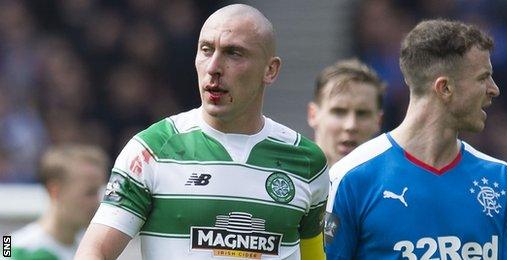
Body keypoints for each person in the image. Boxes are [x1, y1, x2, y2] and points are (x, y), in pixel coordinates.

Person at [76, 4, 329, 260]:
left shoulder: (306, 162)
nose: (214, 67)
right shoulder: (152, 149)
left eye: (234, 53)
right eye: (207, 50)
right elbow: (94, 252)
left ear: (270, 70)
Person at [324, 19, 507, 259]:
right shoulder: (353, 178)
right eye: (483, 77)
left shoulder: (500, 180)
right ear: (444, 88)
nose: (493, 89)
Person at [11, 144, 109, 260]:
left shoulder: (97, 248)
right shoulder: (13, 246)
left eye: (98, 192)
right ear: (55, 191)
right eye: (89, 193)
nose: (97, 202)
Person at [307, 59, 384, 167]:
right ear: (313, 115)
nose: (351, 125)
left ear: (378, 121)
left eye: (362, 113)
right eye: (339, 112)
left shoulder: (394, 182)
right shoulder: (287, 178)